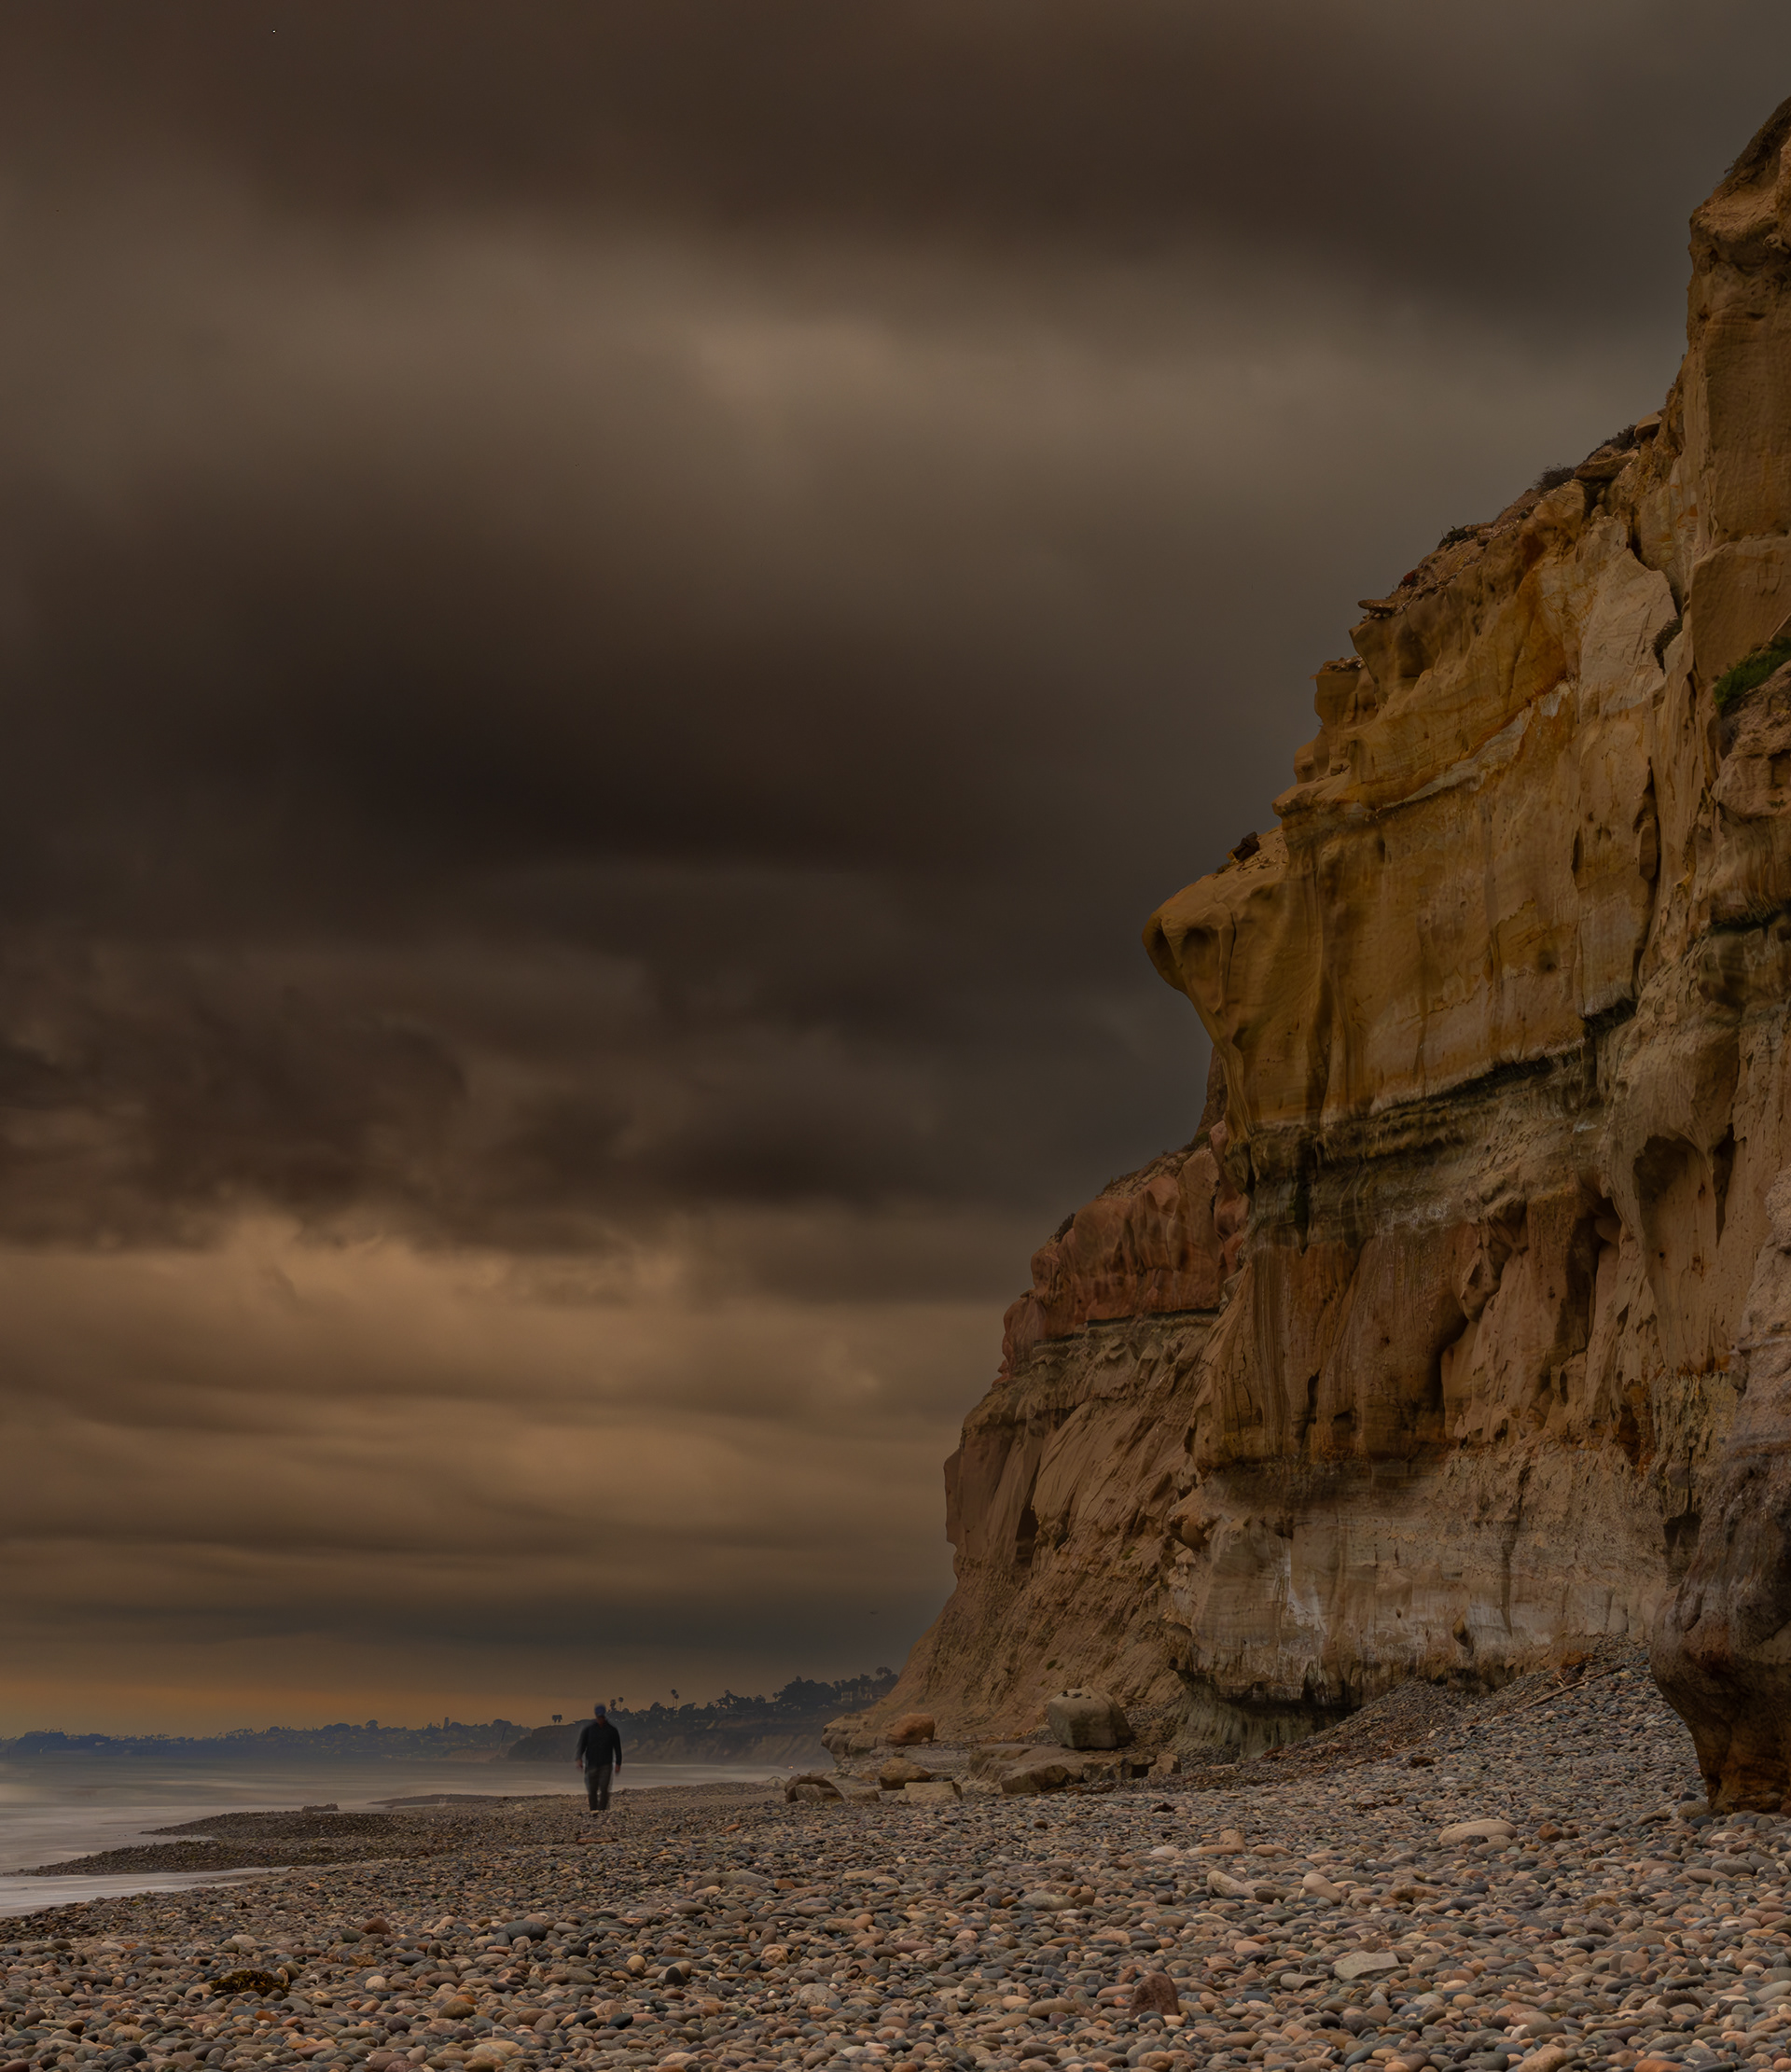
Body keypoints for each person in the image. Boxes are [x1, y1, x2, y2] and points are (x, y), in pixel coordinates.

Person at [574, 1703, 622, 1812]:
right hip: (591, 1764)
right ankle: (593, 1810)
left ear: (604, 1716)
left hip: (606, 1764)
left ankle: (603, 1810)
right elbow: (582, 1745)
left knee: (604, 1788)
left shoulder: (612, 1730)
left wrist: (618, 1763)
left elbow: (617, 1748)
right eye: (599, 1717)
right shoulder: (589, 1730)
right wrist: (579, 1758)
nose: (600, 1719)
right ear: (596, 1716)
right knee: (592, 1789)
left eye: (602, 1717)